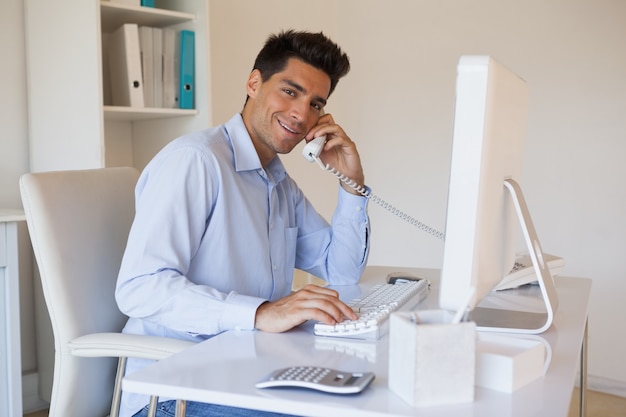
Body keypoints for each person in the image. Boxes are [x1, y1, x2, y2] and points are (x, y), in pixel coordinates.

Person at [115, 29, 370, 417]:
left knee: (361, 396)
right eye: (290, 91)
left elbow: (342, 272)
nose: (303, 115)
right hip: (175, 389)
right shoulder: (196, 162)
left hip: (246, 375)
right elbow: (139, 288)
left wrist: (352, 186)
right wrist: (261, 313)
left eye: (316, 103)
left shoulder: (279, 183)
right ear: (254, 83)